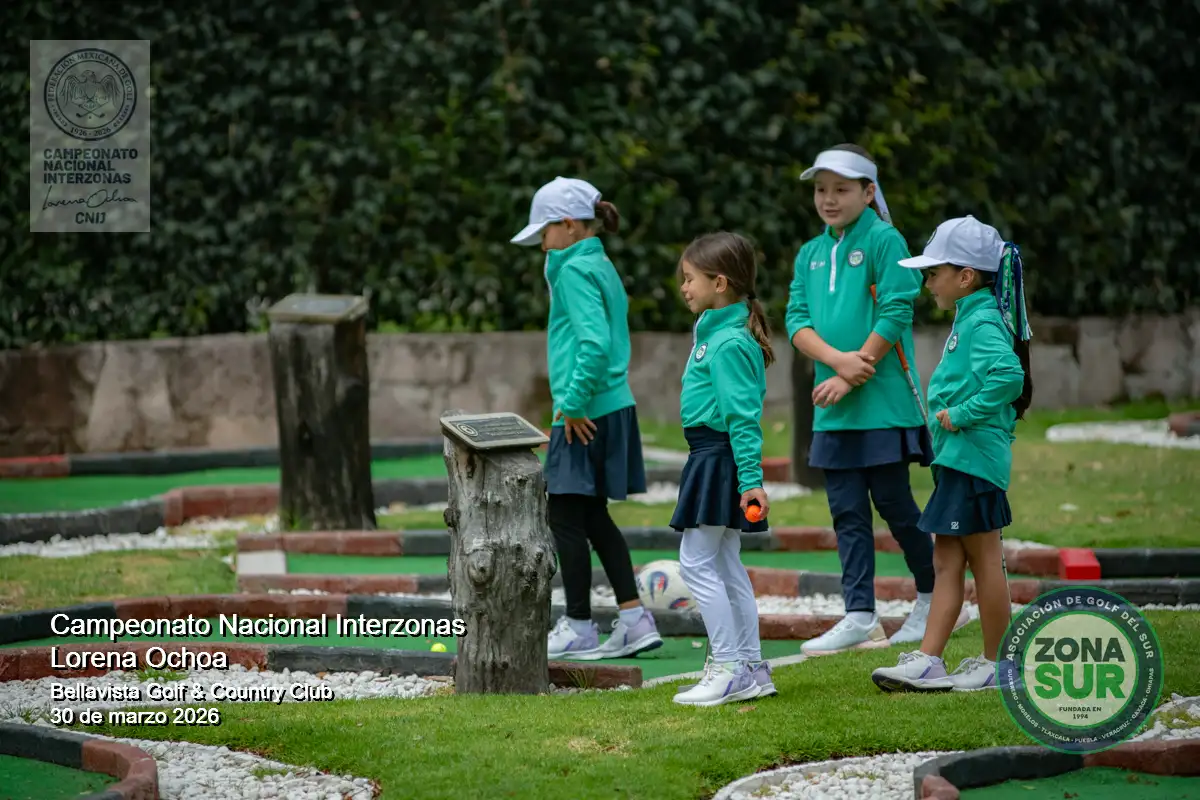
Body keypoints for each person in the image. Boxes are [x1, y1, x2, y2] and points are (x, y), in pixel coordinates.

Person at [785, 144, 967, 656]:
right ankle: (860, 615)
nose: (828, 199)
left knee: (895, 505)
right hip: (834, 409)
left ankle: (934, 597)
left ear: (869, 192)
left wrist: (853, 371)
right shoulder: (810, 252)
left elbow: (896, 309)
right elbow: (796, 320)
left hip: (883, 405)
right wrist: (837, 363)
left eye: (841, 189)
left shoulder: (885, 240)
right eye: (821, 189)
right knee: (846, 512)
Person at [871, 215, 1033, 692]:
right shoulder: (970, 316)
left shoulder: (981, 321)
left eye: (934, 273)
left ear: (965, 277)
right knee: (946, 560)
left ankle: (998, 663)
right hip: (959, 460)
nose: (928, 283)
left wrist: (961, 414)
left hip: (973, 460)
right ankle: (930, 659)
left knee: (984, 559)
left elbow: (1009, 378)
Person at [510, 176, 662, 661]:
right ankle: (634, 620)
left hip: (585, 411)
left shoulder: (574, 269)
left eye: (545, 233)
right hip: (609, 405)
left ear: (569, 226)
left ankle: (578, 625)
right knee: (592, 515)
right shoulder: (597, 262)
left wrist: (572, 404)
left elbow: (594, 344)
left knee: (565, 517)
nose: (542, 245)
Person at [669, 232, 775, 707]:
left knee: (696, 562)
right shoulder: (716, 334)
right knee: (726, 563)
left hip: (718, 458)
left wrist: (751, 481)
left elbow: (743, 419)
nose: (684, 287)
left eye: (689, 278)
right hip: (710, 456)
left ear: (720, 283)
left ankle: (730, 668)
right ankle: (751, 667)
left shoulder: (729, 343)